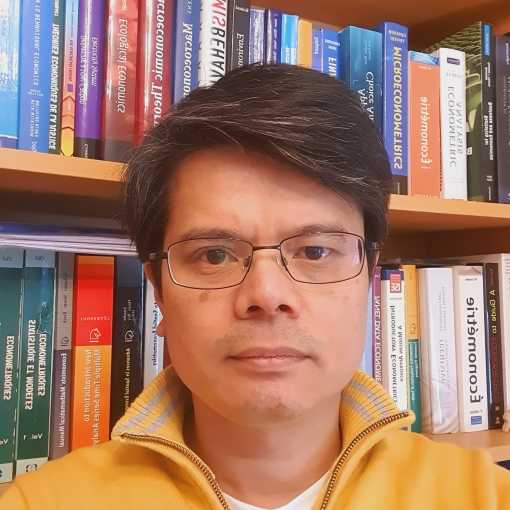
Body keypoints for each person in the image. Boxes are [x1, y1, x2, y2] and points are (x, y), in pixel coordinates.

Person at [2, 64, 509, 510]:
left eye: (315, 251)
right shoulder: (38, 503)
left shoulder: (485, 496)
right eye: (214, 255)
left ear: (368, 277)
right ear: (159, 290)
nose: (267, 295)